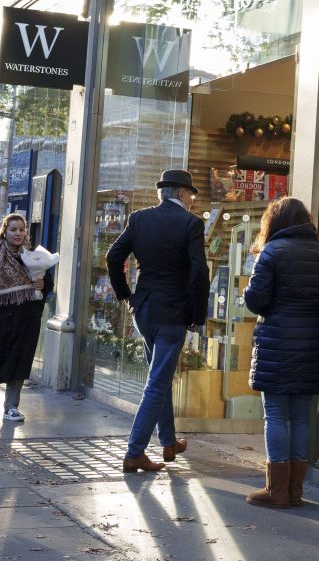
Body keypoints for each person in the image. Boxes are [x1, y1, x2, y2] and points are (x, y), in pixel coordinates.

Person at [106, 169, 208, 474]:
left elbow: (113, 257)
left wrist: (126, 295)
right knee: (157, 381)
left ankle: (168, 441)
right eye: (190, 194)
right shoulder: (191, 223)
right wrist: (197, 315)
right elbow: (199, 272)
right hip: (173, 313)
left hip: (145, 309)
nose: (191, 199)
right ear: (180, 194)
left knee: (158, 376)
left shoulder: (139, 219)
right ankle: (135, 452)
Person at [242, 197, 319, 509]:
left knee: (275, 415)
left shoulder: (272, 252)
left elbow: (256, 301)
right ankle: (295, 489)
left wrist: (248, 289)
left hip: (277, 343)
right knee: (300, 417)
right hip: (314, 345)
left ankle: (276, 490)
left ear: (275, 223)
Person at [0, 212, 53, 422]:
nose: (18, 234)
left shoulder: (34, 256)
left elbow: (48, 282)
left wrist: (43, 285)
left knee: (20, 362)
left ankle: (11, 407)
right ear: (4, 232)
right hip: (2, 320)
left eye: (21, 229)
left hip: (27, 318)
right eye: (13, 229)